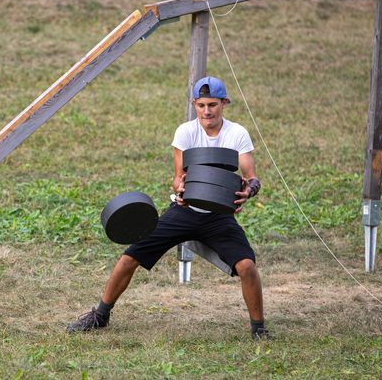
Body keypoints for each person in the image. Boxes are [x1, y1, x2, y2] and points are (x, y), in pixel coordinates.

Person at [67, 76, 269, 340]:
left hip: (219, 216)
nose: (206, 111)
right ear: (194, 105)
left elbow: (251, 176)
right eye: (201, 105)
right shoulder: (185, 132)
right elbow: (178, 177)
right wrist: (180, 189)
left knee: (247, 266)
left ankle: (259, 329)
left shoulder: (237, 133)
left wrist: (249, 190)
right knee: (129, 258)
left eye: (212, 105)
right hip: (184, 211)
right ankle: (100, 315)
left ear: (224, 103)